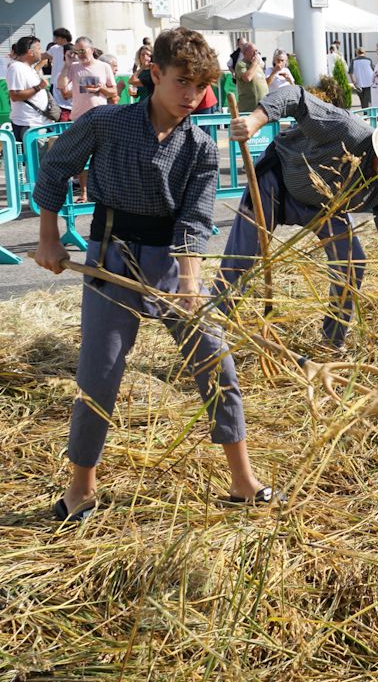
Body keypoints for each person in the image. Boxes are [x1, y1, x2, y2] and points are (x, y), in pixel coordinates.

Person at [33, 27, 271, 522]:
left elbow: (194, 220)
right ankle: (81, 489)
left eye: (199, 86)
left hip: (170, 262)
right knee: (100, 372)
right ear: (155, 74)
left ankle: (242, 479)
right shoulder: (106, 123)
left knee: (215, 360)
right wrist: (49, 237)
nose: (191, 95)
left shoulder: (201, 148)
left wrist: (188, 283)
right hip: (109, 260)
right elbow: (56, 168)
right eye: (182, 82)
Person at [215, 85, 378, 347]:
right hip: (278, 181)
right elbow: (295, 97)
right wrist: (254, 121)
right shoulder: (345, 130)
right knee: (242, 258)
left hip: (326, 206)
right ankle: (209, 335)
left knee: (352, 262)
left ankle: (331, 343)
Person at [6, 35, 54, 145]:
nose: (41, 52)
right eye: (39, 49)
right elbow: (15, 96)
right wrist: (39, 87)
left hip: (40, 123)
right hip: (30, 124)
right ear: (30, 52)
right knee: (37, 160)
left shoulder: (28, 68)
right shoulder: (16, 68)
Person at [59, 37, 117, 122]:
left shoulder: (104, 66)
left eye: (82, 51)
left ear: (92, 50)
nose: (80, 54)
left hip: (99, 116)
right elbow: (61, 85)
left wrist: (101, 88)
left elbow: (114, 92)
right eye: (77, 52)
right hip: (79, 117)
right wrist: (67, 64)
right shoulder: (73, 66)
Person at [234, 41, 268, 114]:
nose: (256, 54)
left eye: (257, 51)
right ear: (245, 53)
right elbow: (247, 78)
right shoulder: (241, 64)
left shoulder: (257, 65)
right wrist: (255, 63)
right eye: (254, 51)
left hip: (263, 107)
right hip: (249, 109)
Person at [47, 27, 73, 117]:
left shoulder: (73, 49)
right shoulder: (54, 48)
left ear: (63, 38)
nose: (54, 39)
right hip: (55, 83)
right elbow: (44, 56)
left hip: (68, 82)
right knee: (55, 109)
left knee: (67, 107)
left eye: (56, 37)